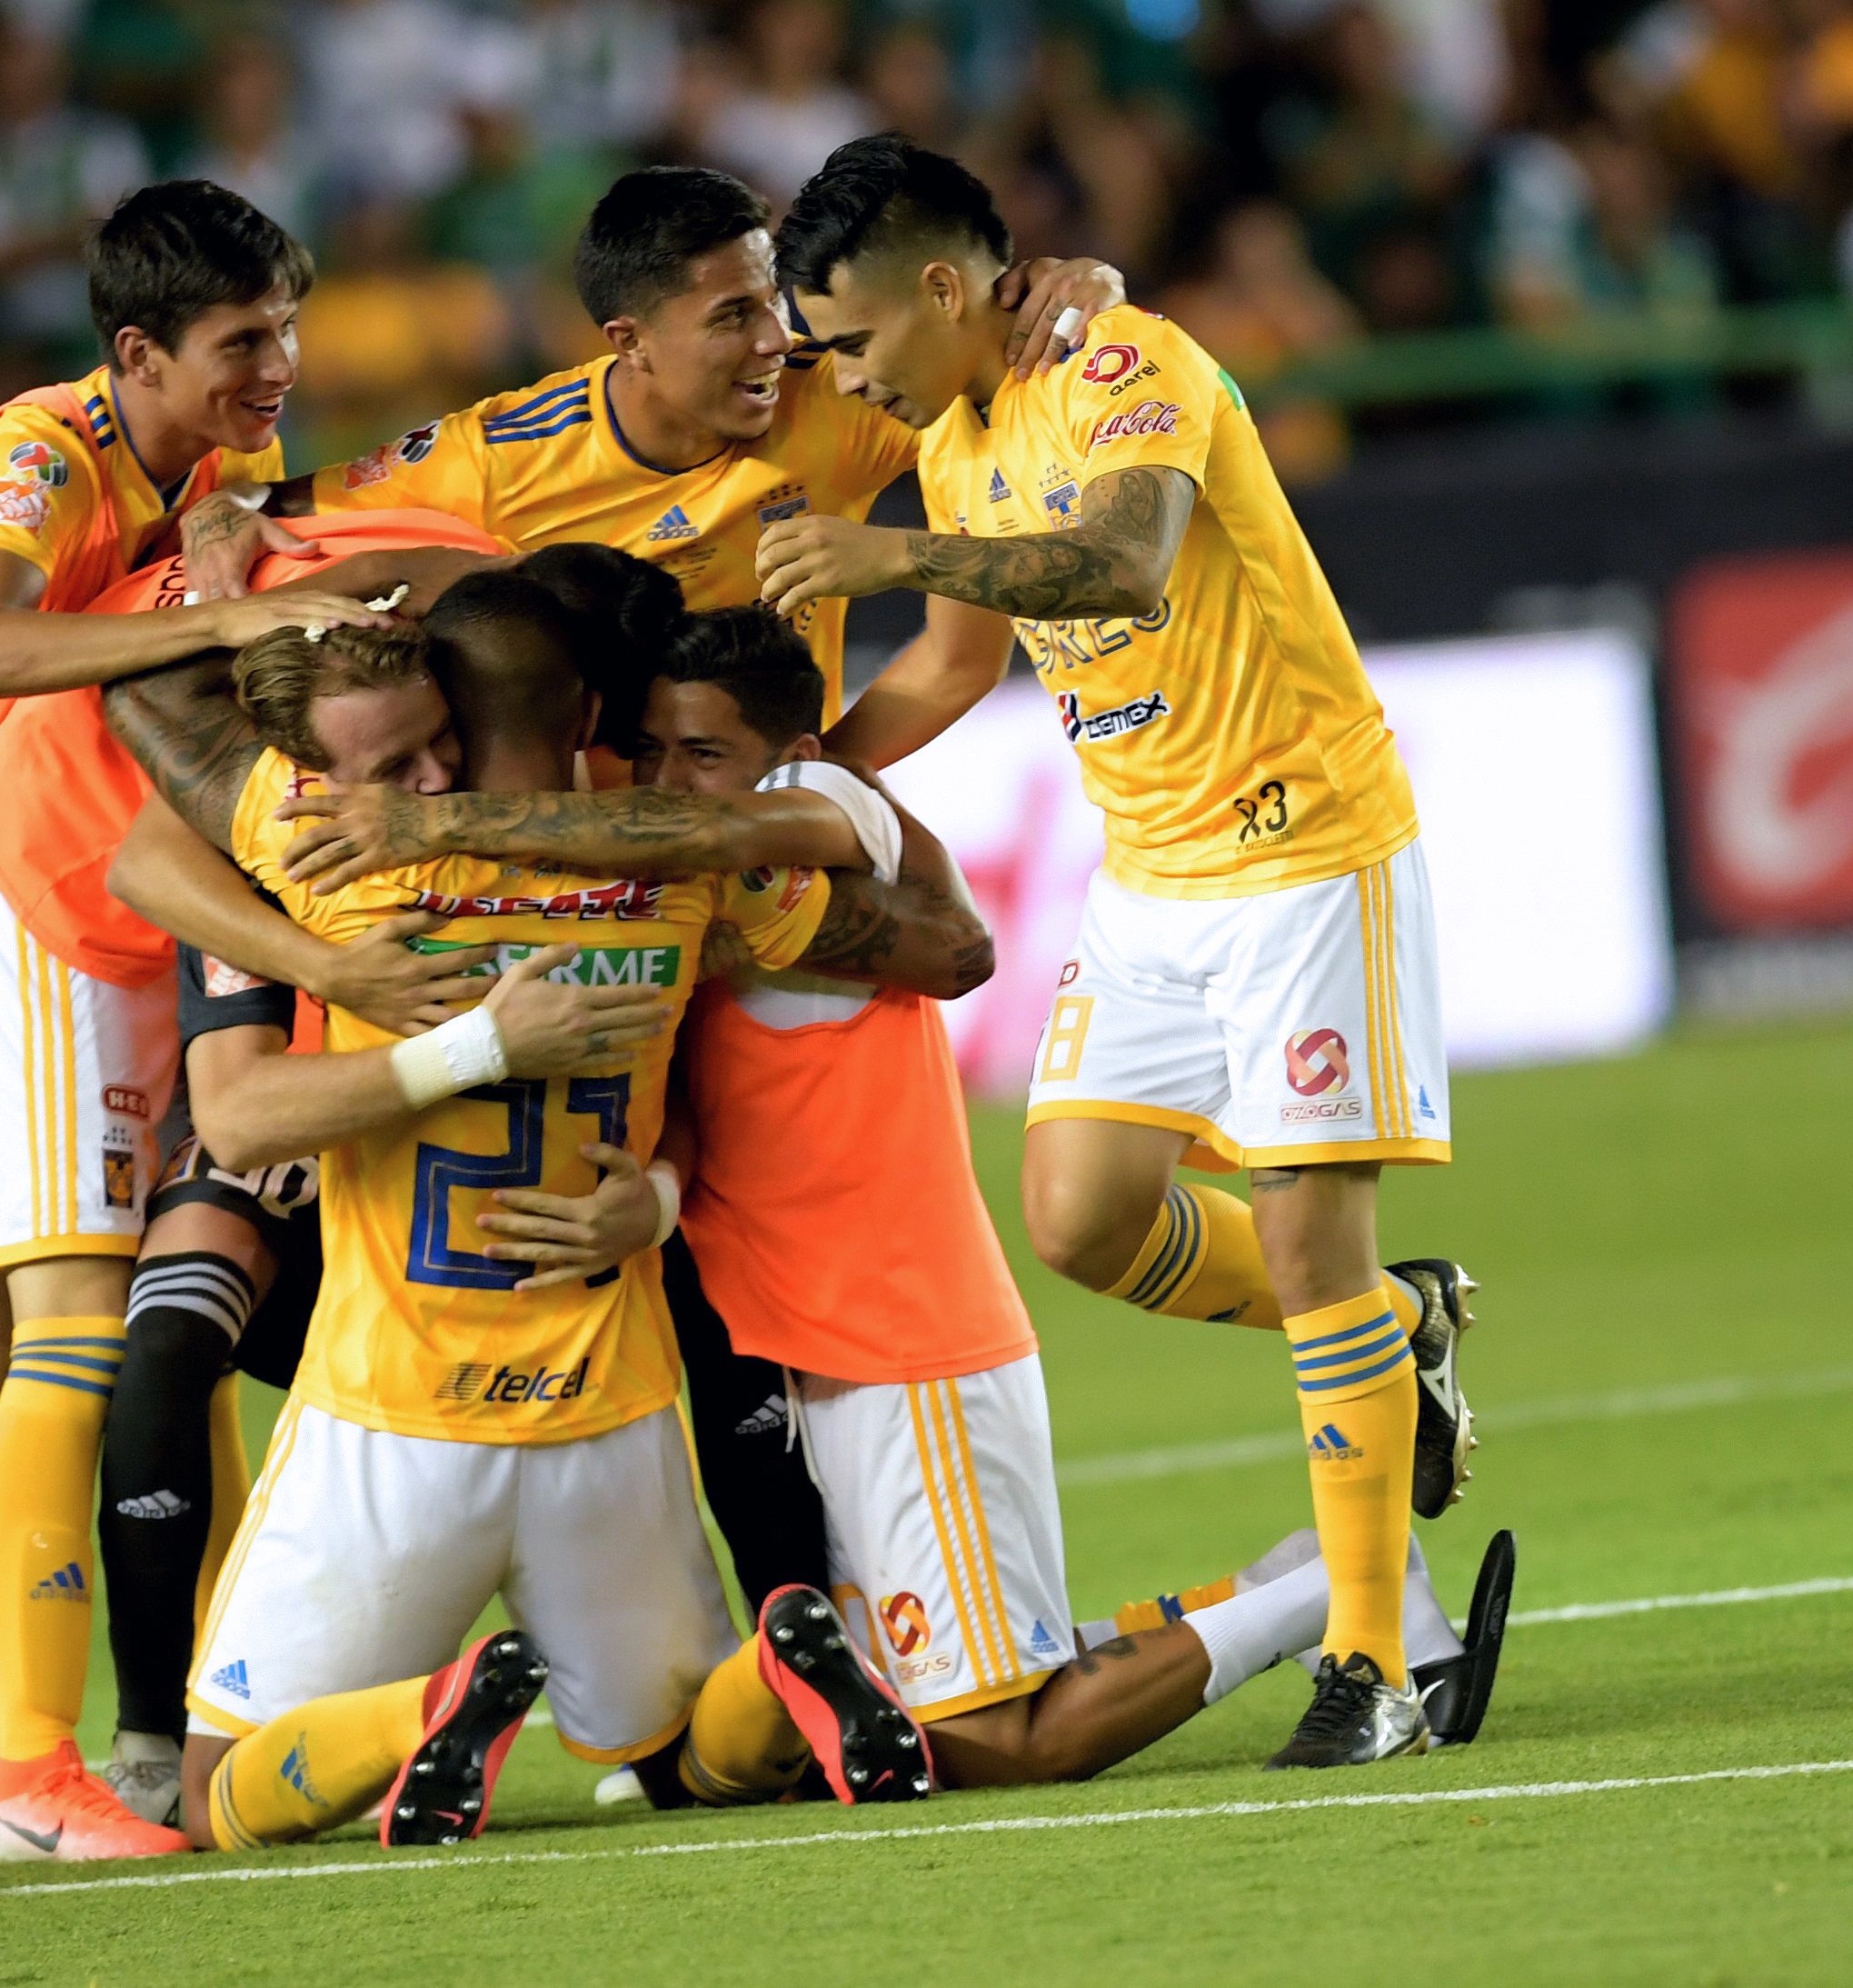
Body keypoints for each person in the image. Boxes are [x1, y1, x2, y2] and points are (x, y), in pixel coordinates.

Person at [287, 604, 1511, 1793]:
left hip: (905, 1336)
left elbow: (902, 918)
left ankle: (1350, 1586)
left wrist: (419, 824)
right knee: (922, 1701)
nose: (669, 780)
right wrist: (652, 1197)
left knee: (998, 1738)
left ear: (796, 754)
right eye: (654, 749)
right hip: (824, 1352)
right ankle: (1311, 1576)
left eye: (703, 753)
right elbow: (705, 1111)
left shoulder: (834, 812)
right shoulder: (689, 889)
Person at [757, 135, 1482, 1768]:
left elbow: (1125, 560)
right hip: (1150, 873)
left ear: (946, 287)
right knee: (1080, 1213)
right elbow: (955, 665)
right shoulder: (953, 433)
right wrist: (808, 785)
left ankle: (1380, 1660)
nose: (851, 375)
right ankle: (1400, 1327)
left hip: (1303, 845)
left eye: (858, 337)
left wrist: (887, 555)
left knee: (1309, 1248)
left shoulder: (1128, 359)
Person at [95, 578, 994, 1850]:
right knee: (684, 1759)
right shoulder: (682, 867)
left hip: (395, 1410)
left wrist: (443, 1030)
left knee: (218, 1795)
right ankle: (786, 1655)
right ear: (589, 710)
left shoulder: (339, 858)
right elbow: (951, 952)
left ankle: (427, 1707)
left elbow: (226, 1092)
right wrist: (666, 1187)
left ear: (450, 712)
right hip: (608, 1411)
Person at [0, 179, 381, 1866]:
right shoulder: (35, 454)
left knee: (9, 1330)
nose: (282, 366)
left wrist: (234, 549)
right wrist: (227, 606)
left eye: (288, 330)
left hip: (30, 907)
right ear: (137, 352)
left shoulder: (208, 469)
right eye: (246, 342)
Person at [174, 164, 1128, 719]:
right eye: (730, 318)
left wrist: (1082, 282)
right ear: (628, 341)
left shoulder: (838, 391)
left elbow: (996, 347)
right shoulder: (497, 455)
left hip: (766, 807)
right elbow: (282, 505)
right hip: (595, 825)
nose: (772, 342)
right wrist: (227, 508)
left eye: (772, 304)